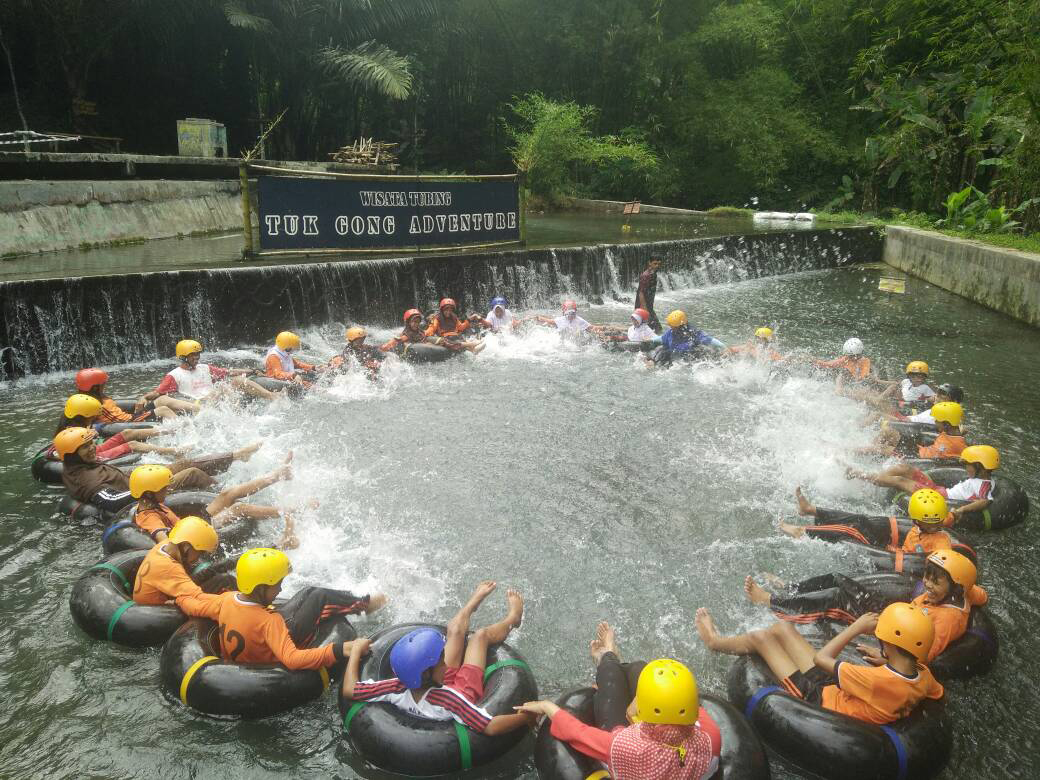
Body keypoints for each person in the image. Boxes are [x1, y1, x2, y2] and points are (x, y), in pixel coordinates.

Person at [517, 622, 721, 780]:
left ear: (642, 708)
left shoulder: (623, 746)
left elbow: (576, 732)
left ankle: (607, 657)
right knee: (639, 668)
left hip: (630, 751)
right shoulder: (711, 739)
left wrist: (545, 705)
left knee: (610, 676)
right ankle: (614, 657)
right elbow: (696, 710)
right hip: (655, 736)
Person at [696, 602, 943, 725]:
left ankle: (714, 642)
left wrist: (855, 628)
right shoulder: (923, 675)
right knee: (782, 628)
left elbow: (821, 659)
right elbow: (936, 695)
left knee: (762, 638)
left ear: (888, 641)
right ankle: (734, 642)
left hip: (814, 699)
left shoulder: (875, 679)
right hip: (838, 690)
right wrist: (885, 660)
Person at [342, 580, 529, 736]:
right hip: (462, 690)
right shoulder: (450, 701)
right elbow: (490, 727)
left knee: (454, 629)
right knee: (479, 636)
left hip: (436, 685)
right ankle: (513, 617)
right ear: (426, 673)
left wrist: (356, 651)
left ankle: (472, 604)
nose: (446, 662)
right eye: (441, 660)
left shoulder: (396, 687)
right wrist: (528, 717)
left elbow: (350, 690)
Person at [745, 549, 988, 662]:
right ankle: (789, 588)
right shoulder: (960, 593)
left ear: (955, 588)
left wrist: (884, 660)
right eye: (927, 577)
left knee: (834, 598)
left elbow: (924, 656)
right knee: (837, 577)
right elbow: (978, 594)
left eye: (935, 581)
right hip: (890, 616)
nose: (926, 585)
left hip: (884, 630)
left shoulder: (947, 619)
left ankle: (773, 603)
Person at [182, 548, 386, 668]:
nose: (281, 588)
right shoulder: (269, 622)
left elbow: (195, 605)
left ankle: (364, 601)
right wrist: (340, 649)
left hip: (248, 653)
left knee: (308, 592)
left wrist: (178, 600)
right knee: (318, 595)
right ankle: (367, 604)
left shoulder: (225, 600)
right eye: (277, 583)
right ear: (260, 588)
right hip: (274, 649)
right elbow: (292, 659)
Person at [55, 427, 262, 513]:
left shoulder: (80, 465)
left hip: (138, 481)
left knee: (184, 463)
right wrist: (146, 487)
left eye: (92, 444)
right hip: (144, 494)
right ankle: (223, 496)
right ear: (72, 453)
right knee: (191, 473)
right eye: (85, 447)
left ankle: (237, 456)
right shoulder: (85, 479)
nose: (92, 449)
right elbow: (110, 501)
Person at [128, 457, 295, 543]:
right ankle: (290, 511)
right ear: (149, 493)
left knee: (227, 494)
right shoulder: (149, 517)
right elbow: (163, 540)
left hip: (192, 524)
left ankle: (277, 475)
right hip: (193, 534)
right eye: (164, 489)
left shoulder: (150, 504)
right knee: (239, 508)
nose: (168, 490)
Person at [846, 445, 999, 525]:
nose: (966, 468)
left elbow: (985, 501)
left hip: (937, 498)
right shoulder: (980, 478)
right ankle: (874, 477)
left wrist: (962, 510)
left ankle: (858, 474)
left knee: (900, 481)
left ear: (981, 467)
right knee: (904, 468)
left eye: (969, 465)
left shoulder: (984, 485)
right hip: (939, 490)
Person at [779, 486, 955, 556]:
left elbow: (939, 565)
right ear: (916, 520)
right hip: (893, 549)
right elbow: (950, 517)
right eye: (932, 522)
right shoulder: (929, 522)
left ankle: (802, 532)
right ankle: (811, 510)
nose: (936, 525)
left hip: (892, 557)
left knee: (854, 529)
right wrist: (957, 514)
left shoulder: (941, 544)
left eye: (937, 522)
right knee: (861, 519)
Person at [146, 339, 279, 402]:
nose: (197, 357)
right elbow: (158, 392)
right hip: (198, 403)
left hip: (216, 398)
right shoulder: (174, 375)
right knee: (222, 387)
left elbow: (229, 372)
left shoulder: (204, 368)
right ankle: (237, 412)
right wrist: (143, 398)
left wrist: (252, 370)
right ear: (183, 357)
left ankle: (271, 396)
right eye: (193, 355)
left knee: (237, 380)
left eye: (198, 354)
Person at [53, 393, 174, 459]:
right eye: (91, 417)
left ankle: (171, 431)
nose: (94, 418)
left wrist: (96, 430)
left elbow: (93, 432)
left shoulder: (77, 423)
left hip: (94, 449)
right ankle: (174, 451)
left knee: (127, 432)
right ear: (83, 416)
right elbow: (63, 453)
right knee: (132, 444)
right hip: (92, 456)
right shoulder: (69, 432)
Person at [75, 368, 195, 423]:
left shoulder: (100, 397)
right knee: (163, 410)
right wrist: (137, 415)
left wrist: (139, 407)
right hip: (128, 422)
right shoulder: (95, 405)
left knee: (162, 399)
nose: (105, 386)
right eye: (103, 384)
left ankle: (200, 409)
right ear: (95, 387)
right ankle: (187, 431)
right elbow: (120, 420)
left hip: (129, 416)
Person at [863, 401, 966, 460]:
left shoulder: (953, 444)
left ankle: (852, 453)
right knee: (889, 434)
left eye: (937, 421)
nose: (935, 423)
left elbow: (936, 459)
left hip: (916, 458)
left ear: (947, 424)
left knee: (882, 448)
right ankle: (867, 453)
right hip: (920, 450)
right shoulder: (950, 432)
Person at [651, 310, 724, 367]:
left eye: (673, 326)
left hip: (689, 358)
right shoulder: (671, 332)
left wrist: (724, 347)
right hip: (674, 357)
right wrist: (651, 340)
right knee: (662, 351)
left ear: (681, 325)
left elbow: (710, 340)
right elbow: (661, 338)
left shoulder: (693, 333)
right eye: (671, 326)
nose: (671, 327)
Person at [811, 338, 877, 383]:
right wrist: (813, 361)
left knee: (844, 372)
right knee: (842, 372)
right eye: (849, 356)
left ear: (859, 354)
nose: (850, 358)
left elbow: (863, 376)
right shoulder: (846, 358)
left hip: (857, 382)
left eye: (852, 356)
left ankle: (839, 391)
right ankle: (838, 391)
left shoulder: (865, 361)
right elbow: (828, 364)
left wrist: (861, 378)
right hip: (847, 380)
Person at [635, 258, 662, 333]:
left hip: (649, 307)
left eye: (659, 264)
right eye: (655, 263)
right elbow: (641, 293)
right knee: (654, 329)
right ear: (649, 263)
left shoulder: (653, 274)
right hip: (643, 307)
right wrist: (645, 310)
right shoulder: (646, 276)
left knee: (655, 329)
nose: (657, 266)